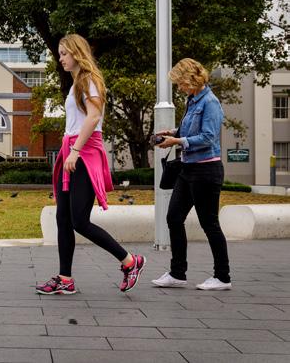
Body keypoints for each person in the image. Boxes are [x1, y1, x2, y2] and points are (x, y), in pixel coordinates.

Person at [36, 34, 146, 296]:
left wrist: (75, 151)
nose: (61, 59)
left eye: (64, 53)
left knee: (79, 221)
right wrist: (70, 151)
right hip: (72, 150)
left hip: (84, 152)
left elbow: (94, 116)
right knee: (63, 217)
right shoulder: (77, 83)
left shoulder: (89, 79)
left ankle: (130, 261)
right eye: (59, 54)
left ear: (77, 53)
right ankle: (65, 279)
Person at [152, 58, 231, 290]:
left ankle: (222, 277)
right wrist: (173, 132)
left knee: (209, 223)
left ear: (191, 79)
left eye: (180, 83)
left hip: (206, 170)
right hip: (188, 169)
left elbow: (208, 137)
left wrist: (177, 141)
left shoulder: (210, 102)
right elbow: (191, 130)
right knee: (174, 218)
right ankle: (177, 273)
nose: (179, 87)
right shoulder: (192, 100)